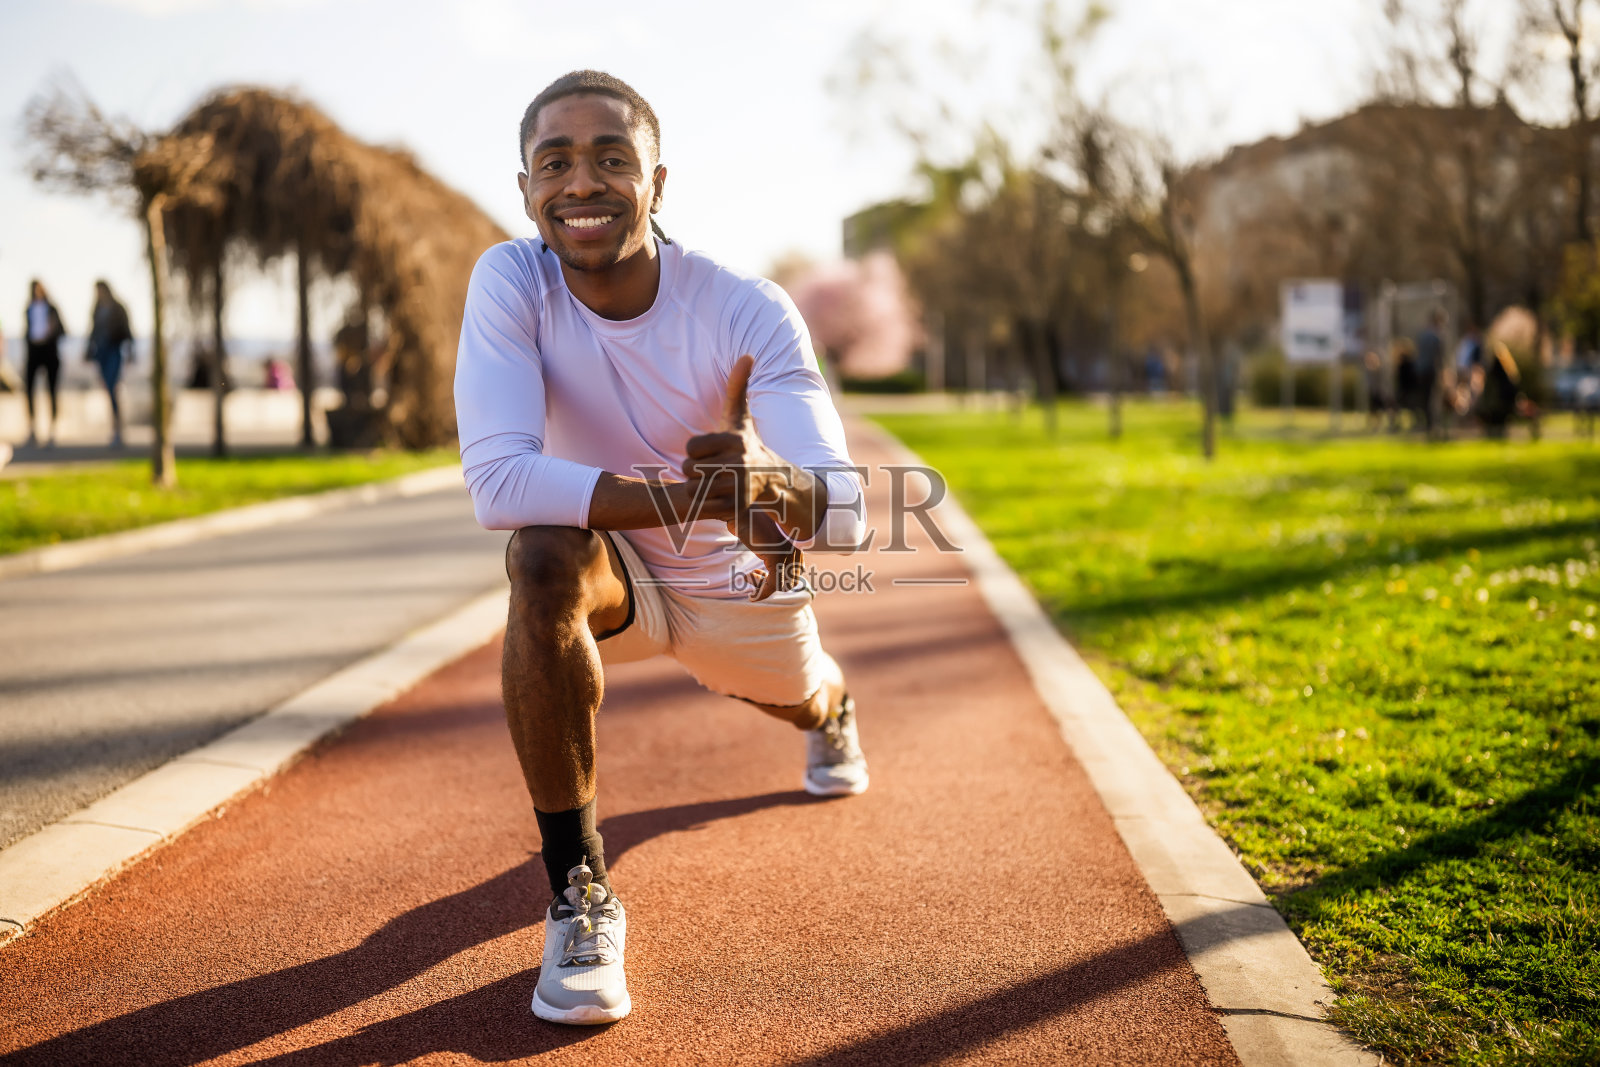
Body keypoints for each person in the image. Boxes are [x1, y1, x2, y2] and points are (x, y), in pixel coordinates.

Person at [455, 71, 869, 1027]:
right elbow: (503, 486)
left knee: (795, 700)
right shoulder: (510, 280)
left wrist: (772, 480)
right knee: (541, 557)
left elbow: (843, 513)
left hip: (738, 579)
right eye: (554, 163)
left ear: (657, 181)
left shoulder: (744, 307)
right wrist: (692, 496)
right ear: (526, 190)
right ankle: (579, 895)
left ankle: (834, 706)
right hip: (618, 572)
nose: (581, 183)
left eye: (611, 159)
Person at [87, 280, 133, 448]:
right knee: (108, 387)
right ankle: (115, 428)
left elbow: (128, 329)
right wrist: (88, 350)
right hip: (101, 352)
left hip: (114, 350)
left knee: (113, 387)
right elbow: (92, 331)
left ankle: (118, 429)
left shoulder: (118, 308)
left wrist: (131, 351)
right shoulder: (96, 309)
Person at [23, 280, 65, 447]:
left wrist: (51, 330)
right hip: (34, 352)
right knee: (29, 389)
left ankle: (53, 429)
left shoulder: (52, 309)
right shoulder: (28, 309)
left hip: (49, 352)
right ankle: (32, 428)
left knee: (52, 391)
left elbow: (62, 329)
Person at [1413, 309, 1445, 434]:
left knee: (1424, 397)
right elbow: (1439, 356)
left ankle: (1424, 422)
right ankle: (1431, 424)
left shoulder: (1422, 335)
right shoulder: (1436, 336)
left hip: (1420, 370)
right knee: (1431, 398)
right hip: (1430, 370)